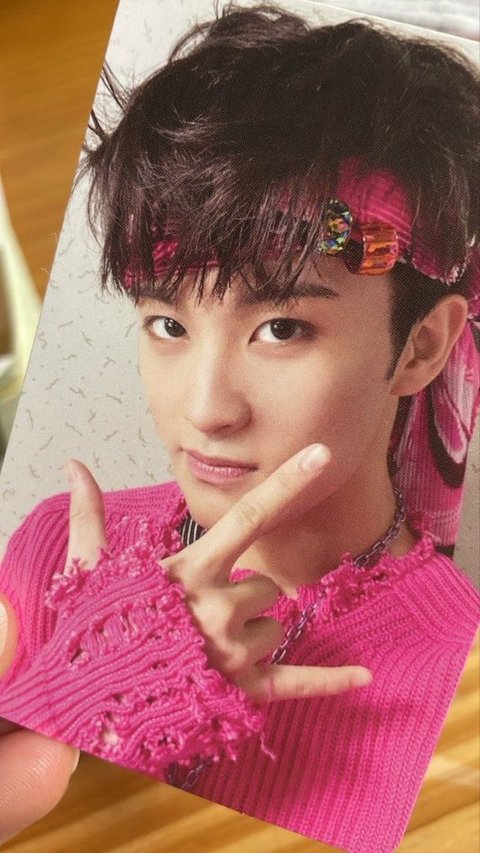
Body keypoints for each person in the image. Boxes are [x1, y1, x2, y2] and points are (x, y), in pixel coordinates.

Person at [0, 5, 479, 852]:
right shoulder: (58, 553)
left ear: (420, 346)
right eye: (167, 324)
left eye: (281, 328)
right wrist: (98, 682)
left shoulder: (455, 667)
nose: (206, 408)